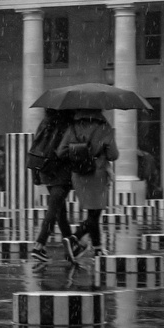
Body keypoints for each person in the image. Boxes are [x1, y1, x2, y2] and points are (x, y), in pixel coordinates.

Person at [57, 111, 118, 262]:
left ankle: (97, 248)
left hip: (79, 173)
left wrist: (80, 153)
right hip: (97, 173)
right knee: (95, 213)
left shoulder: (73, 128)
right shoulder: (104, 128)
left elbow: (60, 152)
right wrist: (98, 150)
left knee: (93, 212)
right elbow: (113, 155)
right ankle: (75, 238)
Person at [29, 109, 78, 264]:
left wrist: (35, 172)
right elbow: (66, 150)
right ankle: (39, 245)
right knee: (54, 209)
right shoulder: (68, 125)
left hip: (46, 170)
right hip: (61, 172)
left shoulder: (44, 123)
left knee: (59, 211)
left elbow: (35, 147)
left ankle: (71, 246)